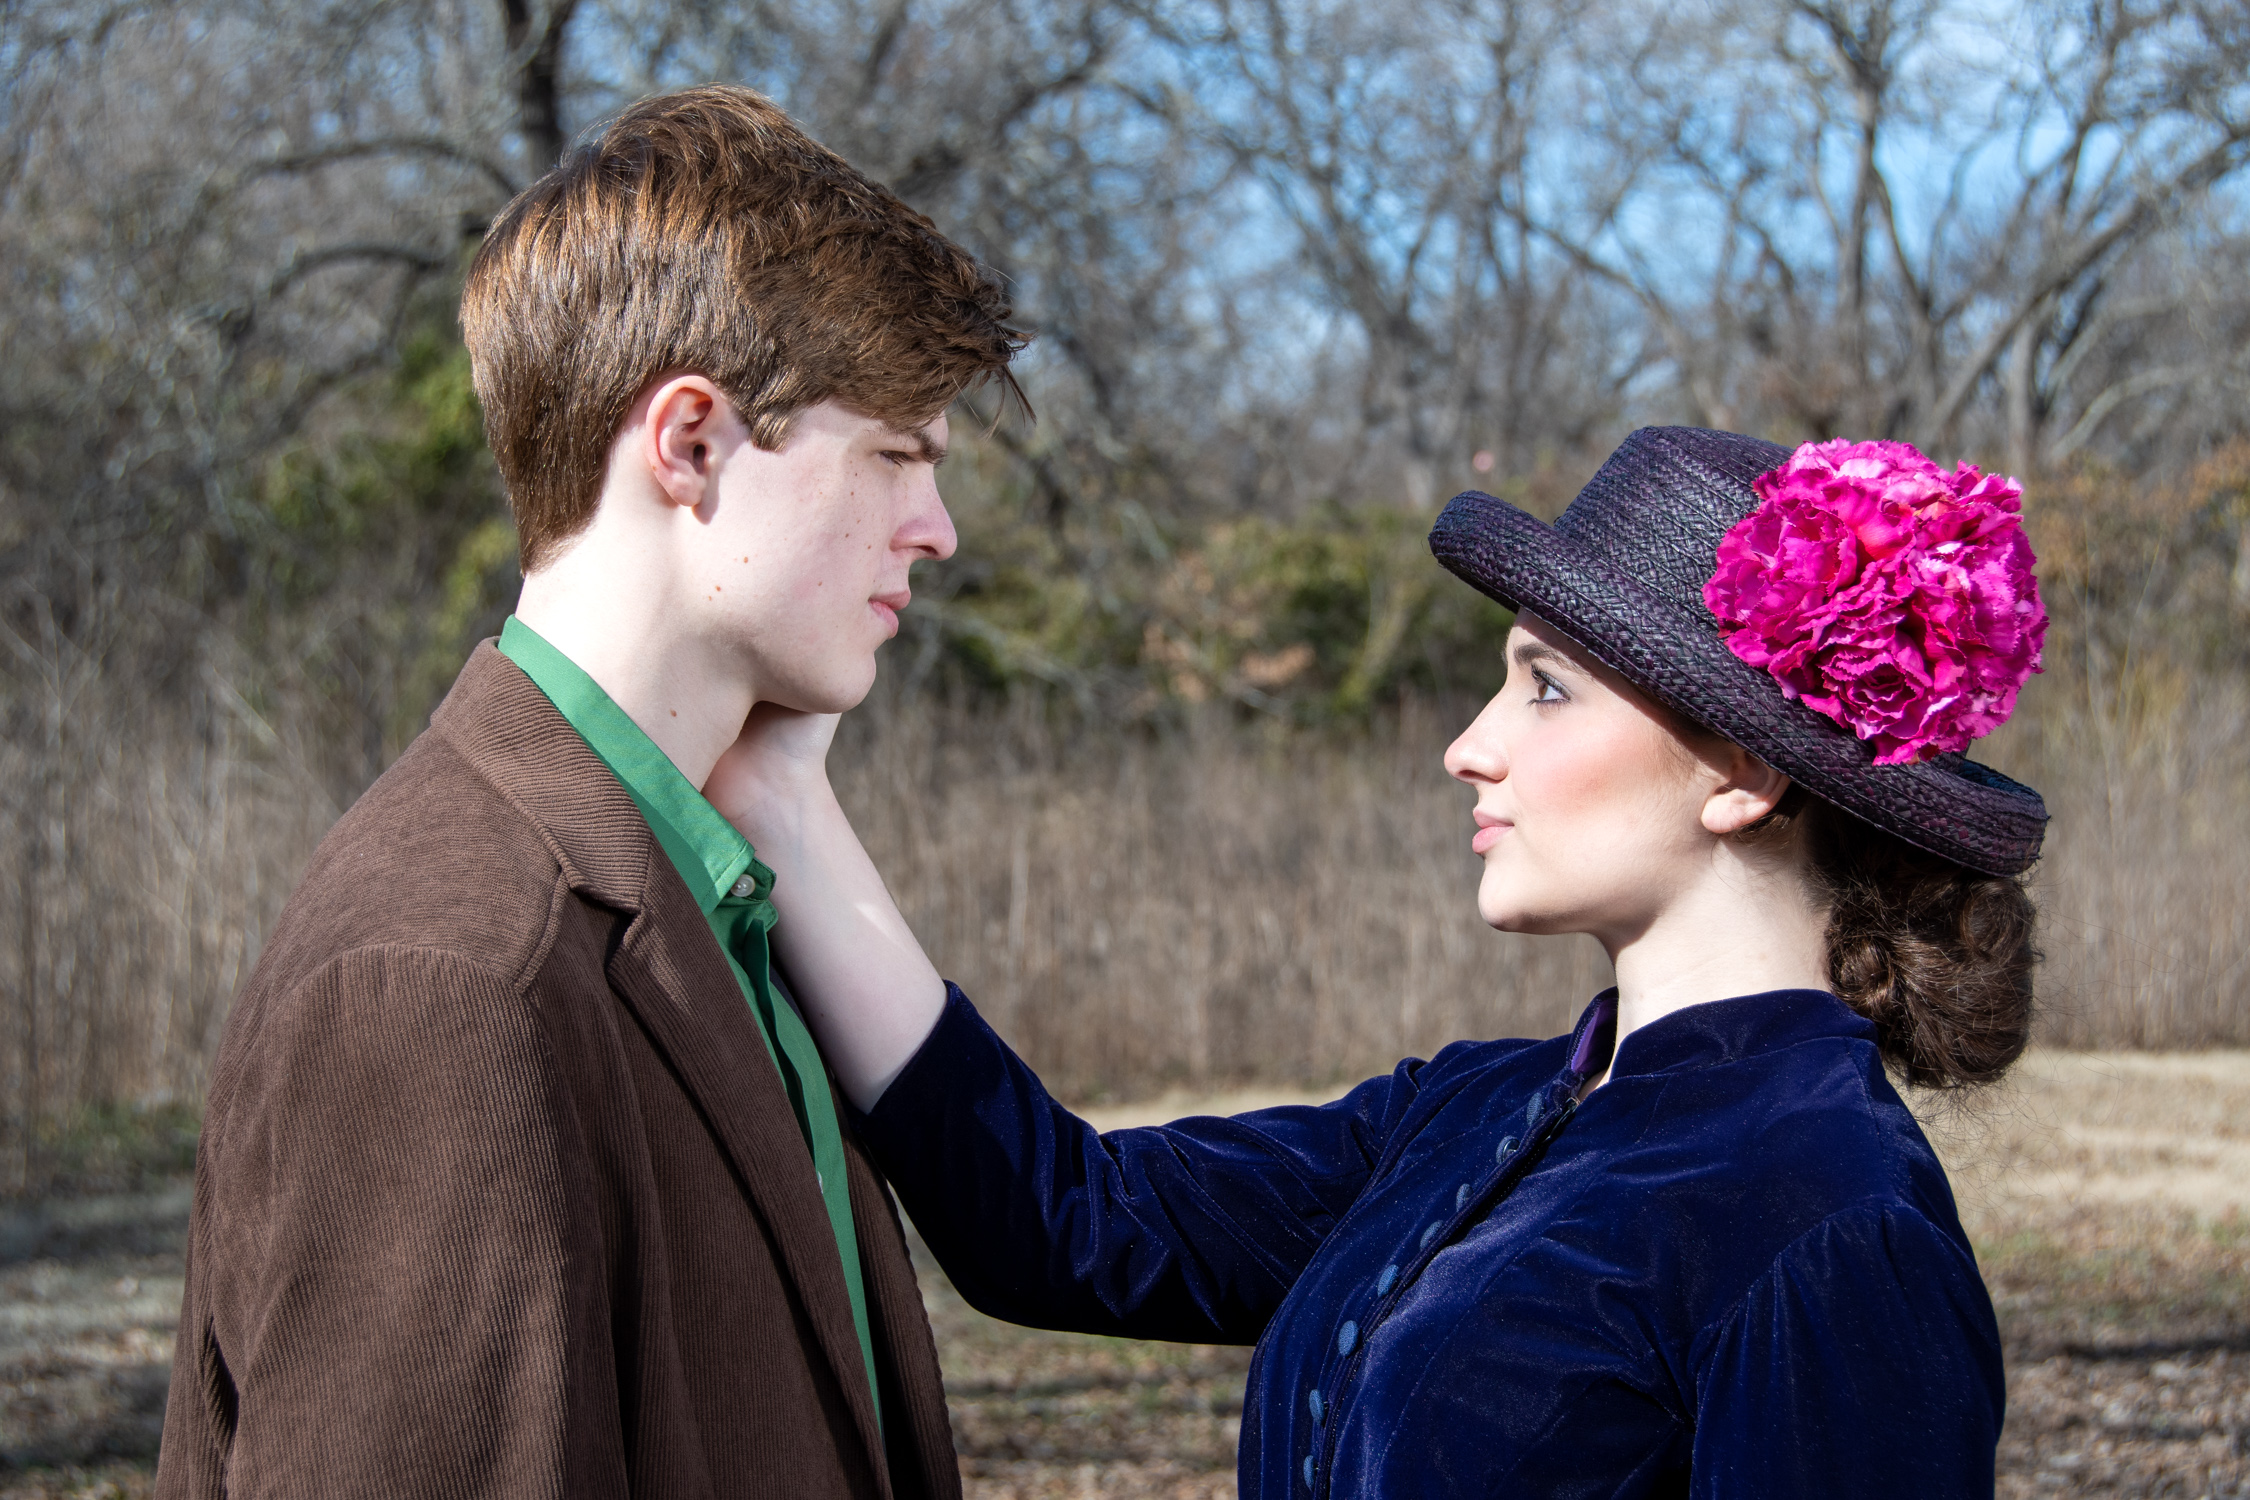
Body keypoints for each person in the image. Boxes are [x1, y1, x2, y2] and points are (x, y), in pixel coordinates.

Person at [708, 426, 2050, 1497]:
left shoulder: (1829, 1226)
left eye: (1543, 685)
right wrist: (783, 805)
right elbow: (1065, 1228)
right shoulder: (1473, 1109)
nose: (1471, 744)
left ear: (1742, 773)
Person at [156, 85, 1022, 1498]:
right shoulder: (446, 979)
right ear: (689, 445)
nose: (934, 529)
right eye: (893, 457)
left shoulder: (701, 885)